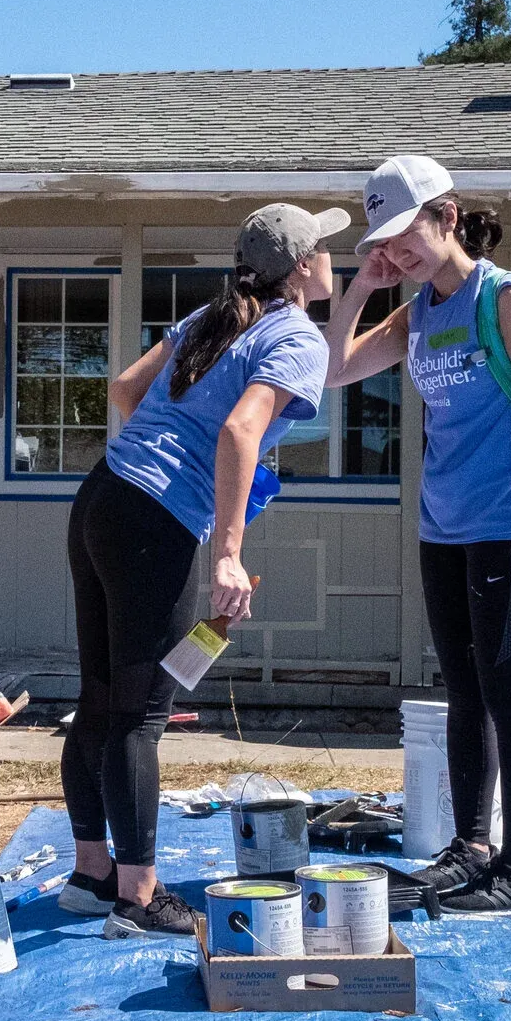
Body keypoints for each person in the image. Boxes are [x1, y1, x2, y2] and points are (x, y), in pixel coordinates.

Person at [58, 204, 340, 938]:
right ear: (304, 267)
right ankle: (140, 895)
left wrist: (157, 466)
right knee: (141, 715)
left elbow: (123, 389)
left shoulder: (214, 316)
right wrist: (228, 551)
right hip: (154, 522)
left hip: (102, 497)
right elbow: (242, 428)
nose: (333, 259)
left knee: (100, 699)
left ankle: (92, 874)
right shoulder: (295, 334)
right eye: (326, 249)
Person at [326, 154, 511, 918]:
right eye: (387, 244)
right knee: (463, 695)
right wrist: (361, 286)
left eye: (408, 239)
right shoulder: (419, 310)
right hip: (443, 528)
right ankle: (471, 846)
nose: (398, 254)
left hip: (508, 524)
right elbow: (334, 369)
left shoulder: (503, 298)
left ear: (448, 217)